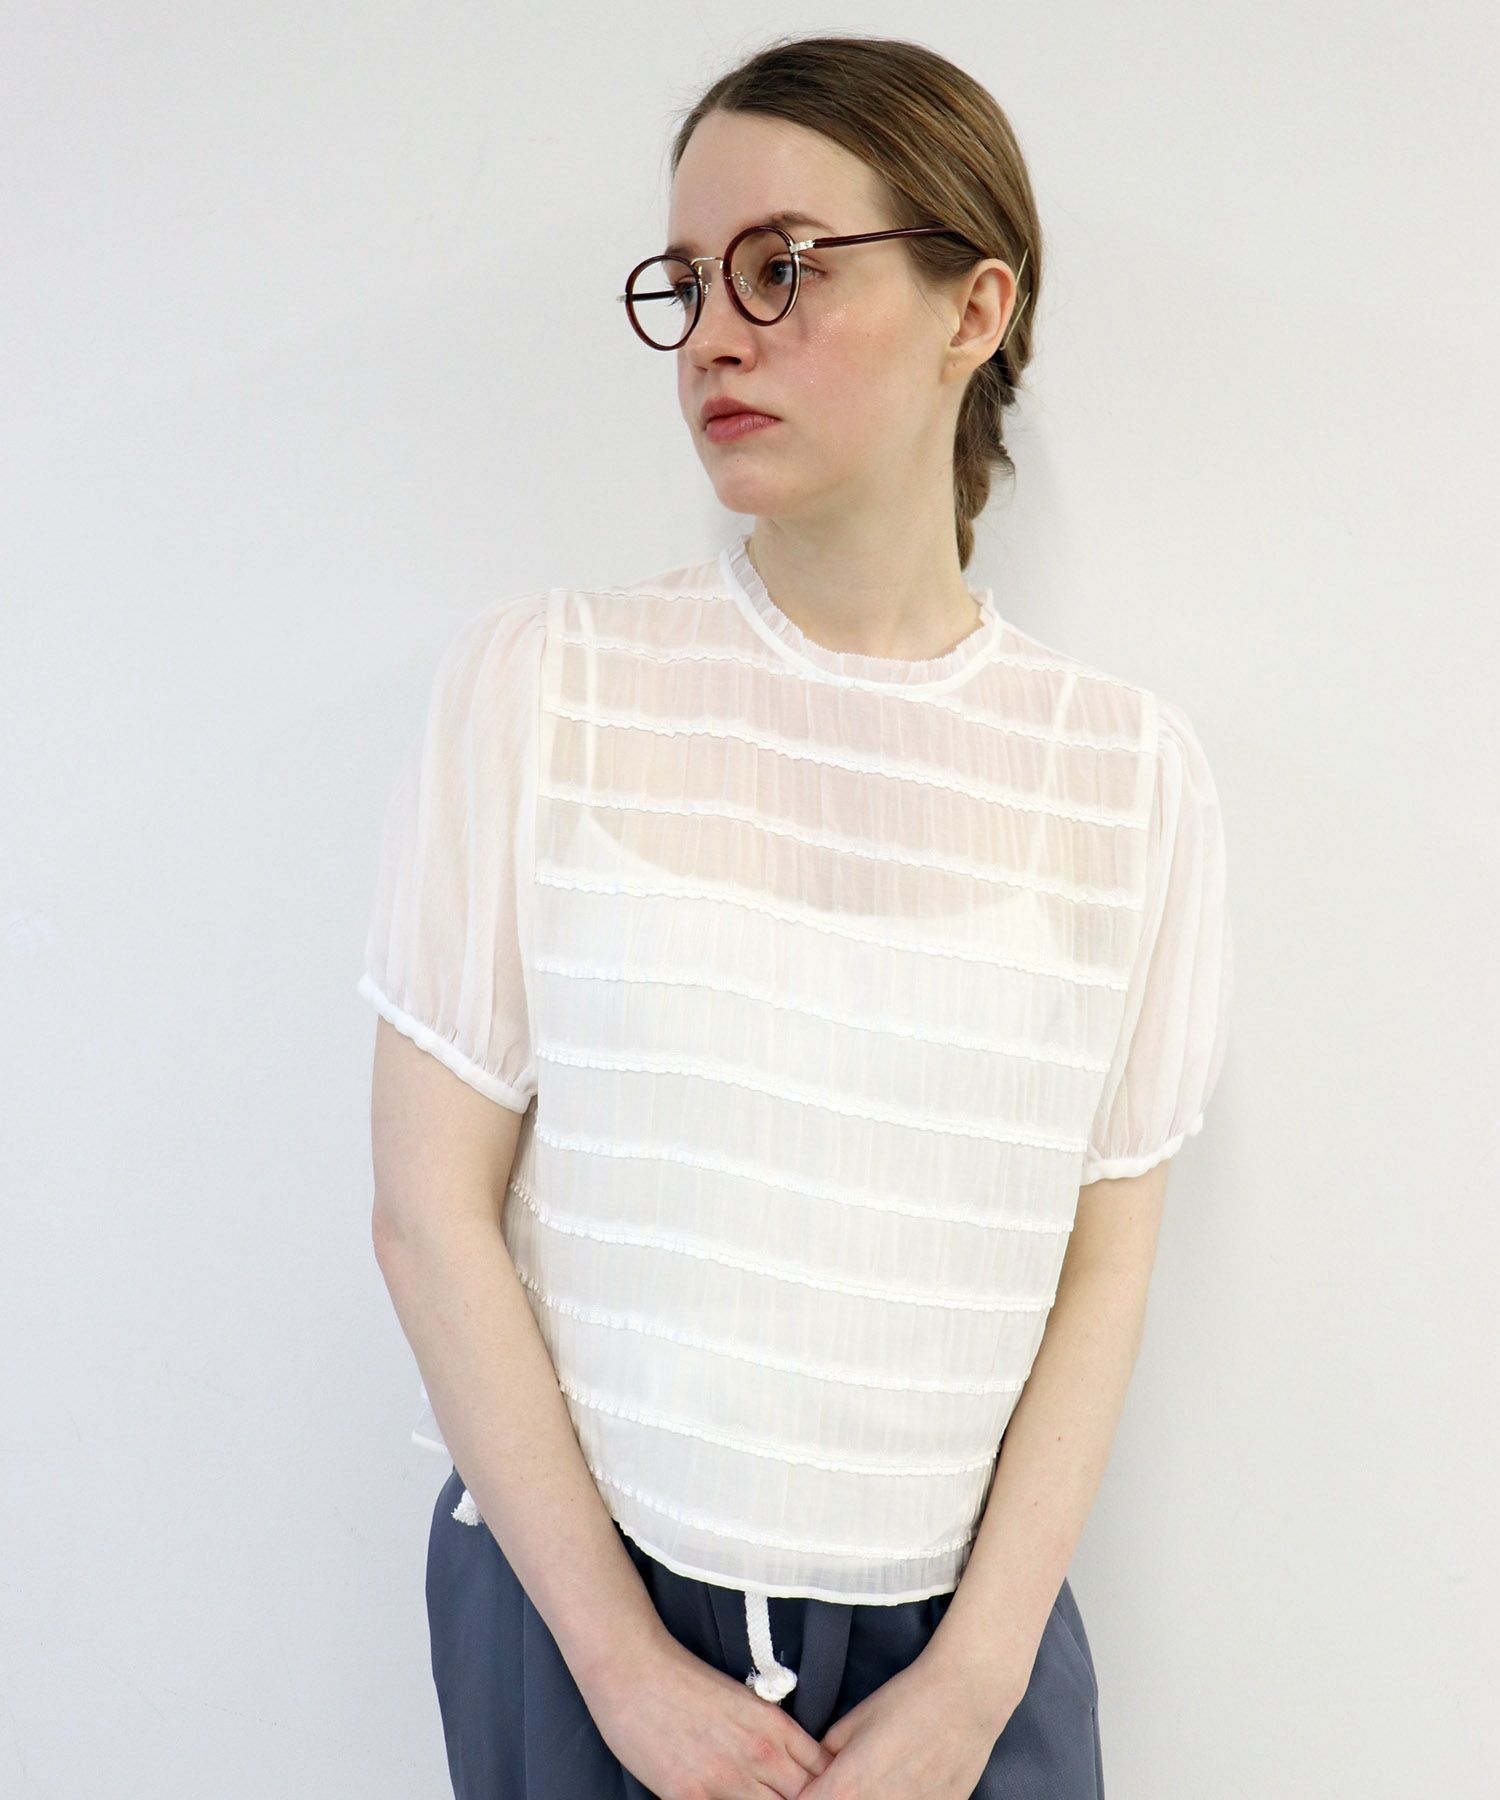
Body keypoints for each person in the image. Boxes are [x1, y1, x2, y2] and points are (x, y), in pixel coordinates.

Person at [358, 31, 1233, 1800]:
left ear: (975, 308)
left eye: (783, 267)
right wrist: (624, 1675)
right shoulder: (547, 687)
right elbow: (428, 1215)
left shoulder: (1127, 775)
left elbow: (1104, 1263)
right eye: (688, 282)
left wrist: (975, 1686)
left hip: (959, 1654)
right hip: (587, 1619)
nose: (714, 334)